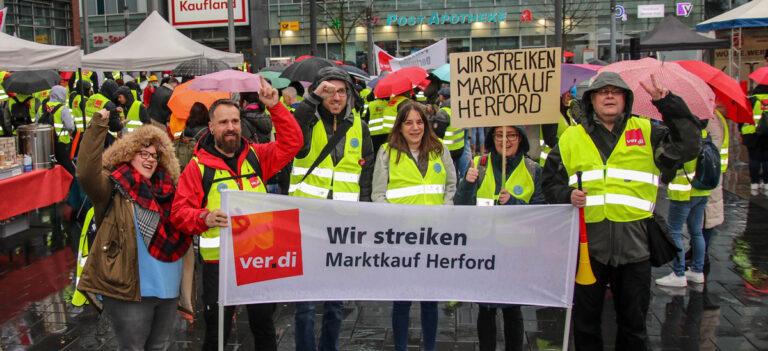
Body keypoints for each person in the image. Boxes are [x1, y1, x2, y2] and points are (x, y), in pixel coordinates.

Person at [542, 73, 701, 350]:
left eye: (616, 92)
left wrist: (668, 103)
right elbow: (550, 181)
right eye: (603, 91)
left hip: (635, 247)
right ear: (591, 99)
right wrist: (566, 195)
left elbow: (688, 145)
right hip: (588, 248)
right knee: (586, 324)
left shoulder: (649, 131)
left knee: (634, 325)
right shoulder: (571, 137)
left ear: (626, 99)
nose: (609, 96)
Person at [171, 77, 302, 351]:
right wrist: (203, 218)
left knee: (263, 325)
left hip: (257, 257)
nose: (230, 128)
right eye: (223, 122)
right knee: (217, 329)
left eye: (234, 121)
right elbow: (179, 212)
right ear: (211, 126)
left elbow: (293, 143)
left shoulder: (256, 156)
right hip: (218, 263)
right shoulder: (198, 168)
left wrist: (276, 108)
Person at [76, 108, 189, 351]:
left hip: (169, 287)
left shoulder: (169, 188)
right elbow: (85, 173)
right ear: (128, 154)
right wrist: (97, 127)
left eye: (155, 155)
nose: (150, 159)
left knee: (159, 346)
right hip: (130, 289)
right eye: (143, 153)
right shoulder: (113, 187)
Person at [290, 66, 374, 351]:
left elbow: (366, 178)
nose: (335, 97)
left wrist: (363, 217)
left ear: (349, 95)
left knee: (335, 302)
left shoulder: (359, 127)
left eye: (341, 91)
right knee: (305, 304)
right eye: (329, 90)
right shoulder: (307, 122)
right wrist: (311, 99)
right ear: (318, 92)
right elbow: (290, 134)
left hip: (343, 227)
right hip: (307, 223)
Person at [372, 101, 456, 351]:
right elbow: (378, 194)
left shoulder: (440, 149)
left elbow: (451, 186)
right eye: (408, 122)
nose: (415, 127)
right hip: (402, 240)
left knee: (430, 301)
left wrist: (445, 210)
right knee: (402, 301)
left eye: (419, 121)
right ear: (400, 126)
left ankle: (428, 347)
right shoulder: (387, 152)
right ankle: (401, 347)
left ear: (426, 124)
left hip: (433, 237)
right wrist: (395, 221)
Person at [454, 125, 544, 351]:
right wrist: (467, 184)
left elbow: (541, 213)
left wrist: (513, 202)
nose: (505, 140)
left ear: (521, 139)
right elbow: (461, 206)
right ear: (491, 138)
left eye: (512, 135)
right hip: (484, 250)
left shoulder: (533, 170)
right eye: (499, 135)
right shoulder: (479, 164)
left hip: (516, 253)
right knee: (486, 309)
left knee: (512, 309)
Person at [655, 125, 711, 288]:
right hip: (701, 191)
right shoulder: (704, 134)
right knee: (696, 231)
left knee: (675, 232)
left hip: (683, 192)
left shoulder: (684, 136)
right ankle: (697, 271)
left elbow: (674, 164)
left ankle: (679, 273)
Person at [38, 85, 76, 174]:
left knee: (52, 167)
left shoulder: (42, 107)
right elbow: (71, 127)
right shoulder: (63, 109)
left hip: (46, 143)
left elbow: (37, 123)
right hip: (62, 143)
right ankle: (72, 186)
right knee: (67, 167)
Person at [743, 86, 768, 195]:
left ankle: (754, 183)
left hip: (751, 134)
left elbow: (742, 118)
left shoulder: (750, 100)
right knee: (767, 159)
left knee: (754, 159)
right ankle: (767, 183)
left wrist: (742, 131)